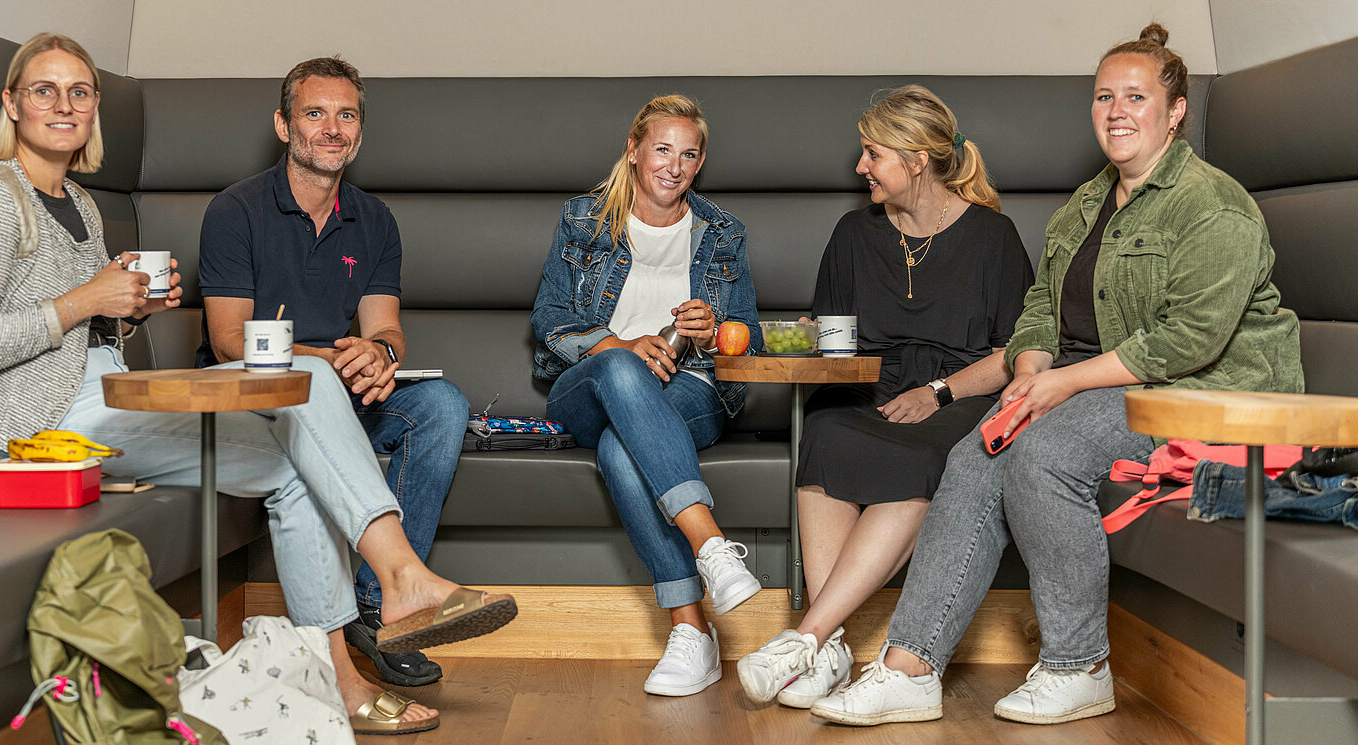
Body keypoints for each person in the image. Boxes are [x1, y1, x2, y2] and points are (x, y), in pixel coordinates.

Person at [0, 33, 515, 736]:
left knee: (293, 460)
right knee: (308, 385)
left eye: (80, 91)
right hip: (37, 429)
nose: (65, 105)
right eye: (45, 91)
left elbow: (79, 330)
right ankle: (401, 576)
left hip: (97, 401)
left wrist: (127, 308)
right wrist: (90, 300)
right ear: (12, 105)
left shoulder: (77, 202)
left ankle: (340, 672)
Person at [809, 23, 1303, 727]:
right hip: (1115, 386)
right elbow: (1040, 304)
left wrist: (1065, 383)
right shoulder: (1088, 202)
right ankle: (909, 667)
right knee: (979, 448)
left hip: (1210, 394)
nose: (1117, 111)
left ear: (1176, 111)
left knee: (1041, 453)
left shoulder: (1212, 204)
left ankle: (1079, 664)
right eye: (1105, 96)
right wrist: (1033, 365)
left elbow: (1189, 339)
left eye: (1136, 96)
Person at [735, 86, 1033, 708]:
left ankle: (805, 638)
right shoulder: (854, 233)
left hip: (958, 397)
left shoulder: (993, 239)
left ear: (917, 160)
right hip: (868, 387)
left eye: (872, 154)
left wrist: (939, 392)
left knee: (925, 461)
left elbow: (1016, 354)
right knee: (824, 430)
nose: (860, 167)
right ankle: (831, 645)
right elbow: (826, 333)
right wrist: (753, 337)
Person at [195, 56, 470, 688]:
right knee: (313, 386)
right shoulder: (235, 211)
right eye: (315, 114)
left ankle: (377, 608)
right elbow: (228, 339)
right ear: (284, 125)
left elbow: (386, 327)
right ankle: (377, 601)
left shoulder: (374, 219)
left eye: (346, 115)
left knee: (444, 404)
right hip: (256, 399)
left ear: (360, 131)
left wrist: (380, 357)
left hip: (344, 392)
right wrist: (325, 360)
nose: (332, 128)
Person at [530, 94, 763, 697]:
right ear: (634, 151)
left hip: (691, 387)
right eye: (662, 150)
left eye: (688, 155)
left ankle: (691, 632)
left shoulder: (722, 232)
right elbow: (550, 318)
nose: (673, 166)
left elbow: (750, 339)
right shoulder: (584, 218)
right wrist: (618, 345)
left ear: (700, 161)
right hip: (590, 384)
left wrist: (715, 331)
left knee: (619, 448)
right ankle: (711, 544)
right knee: (621, 372)